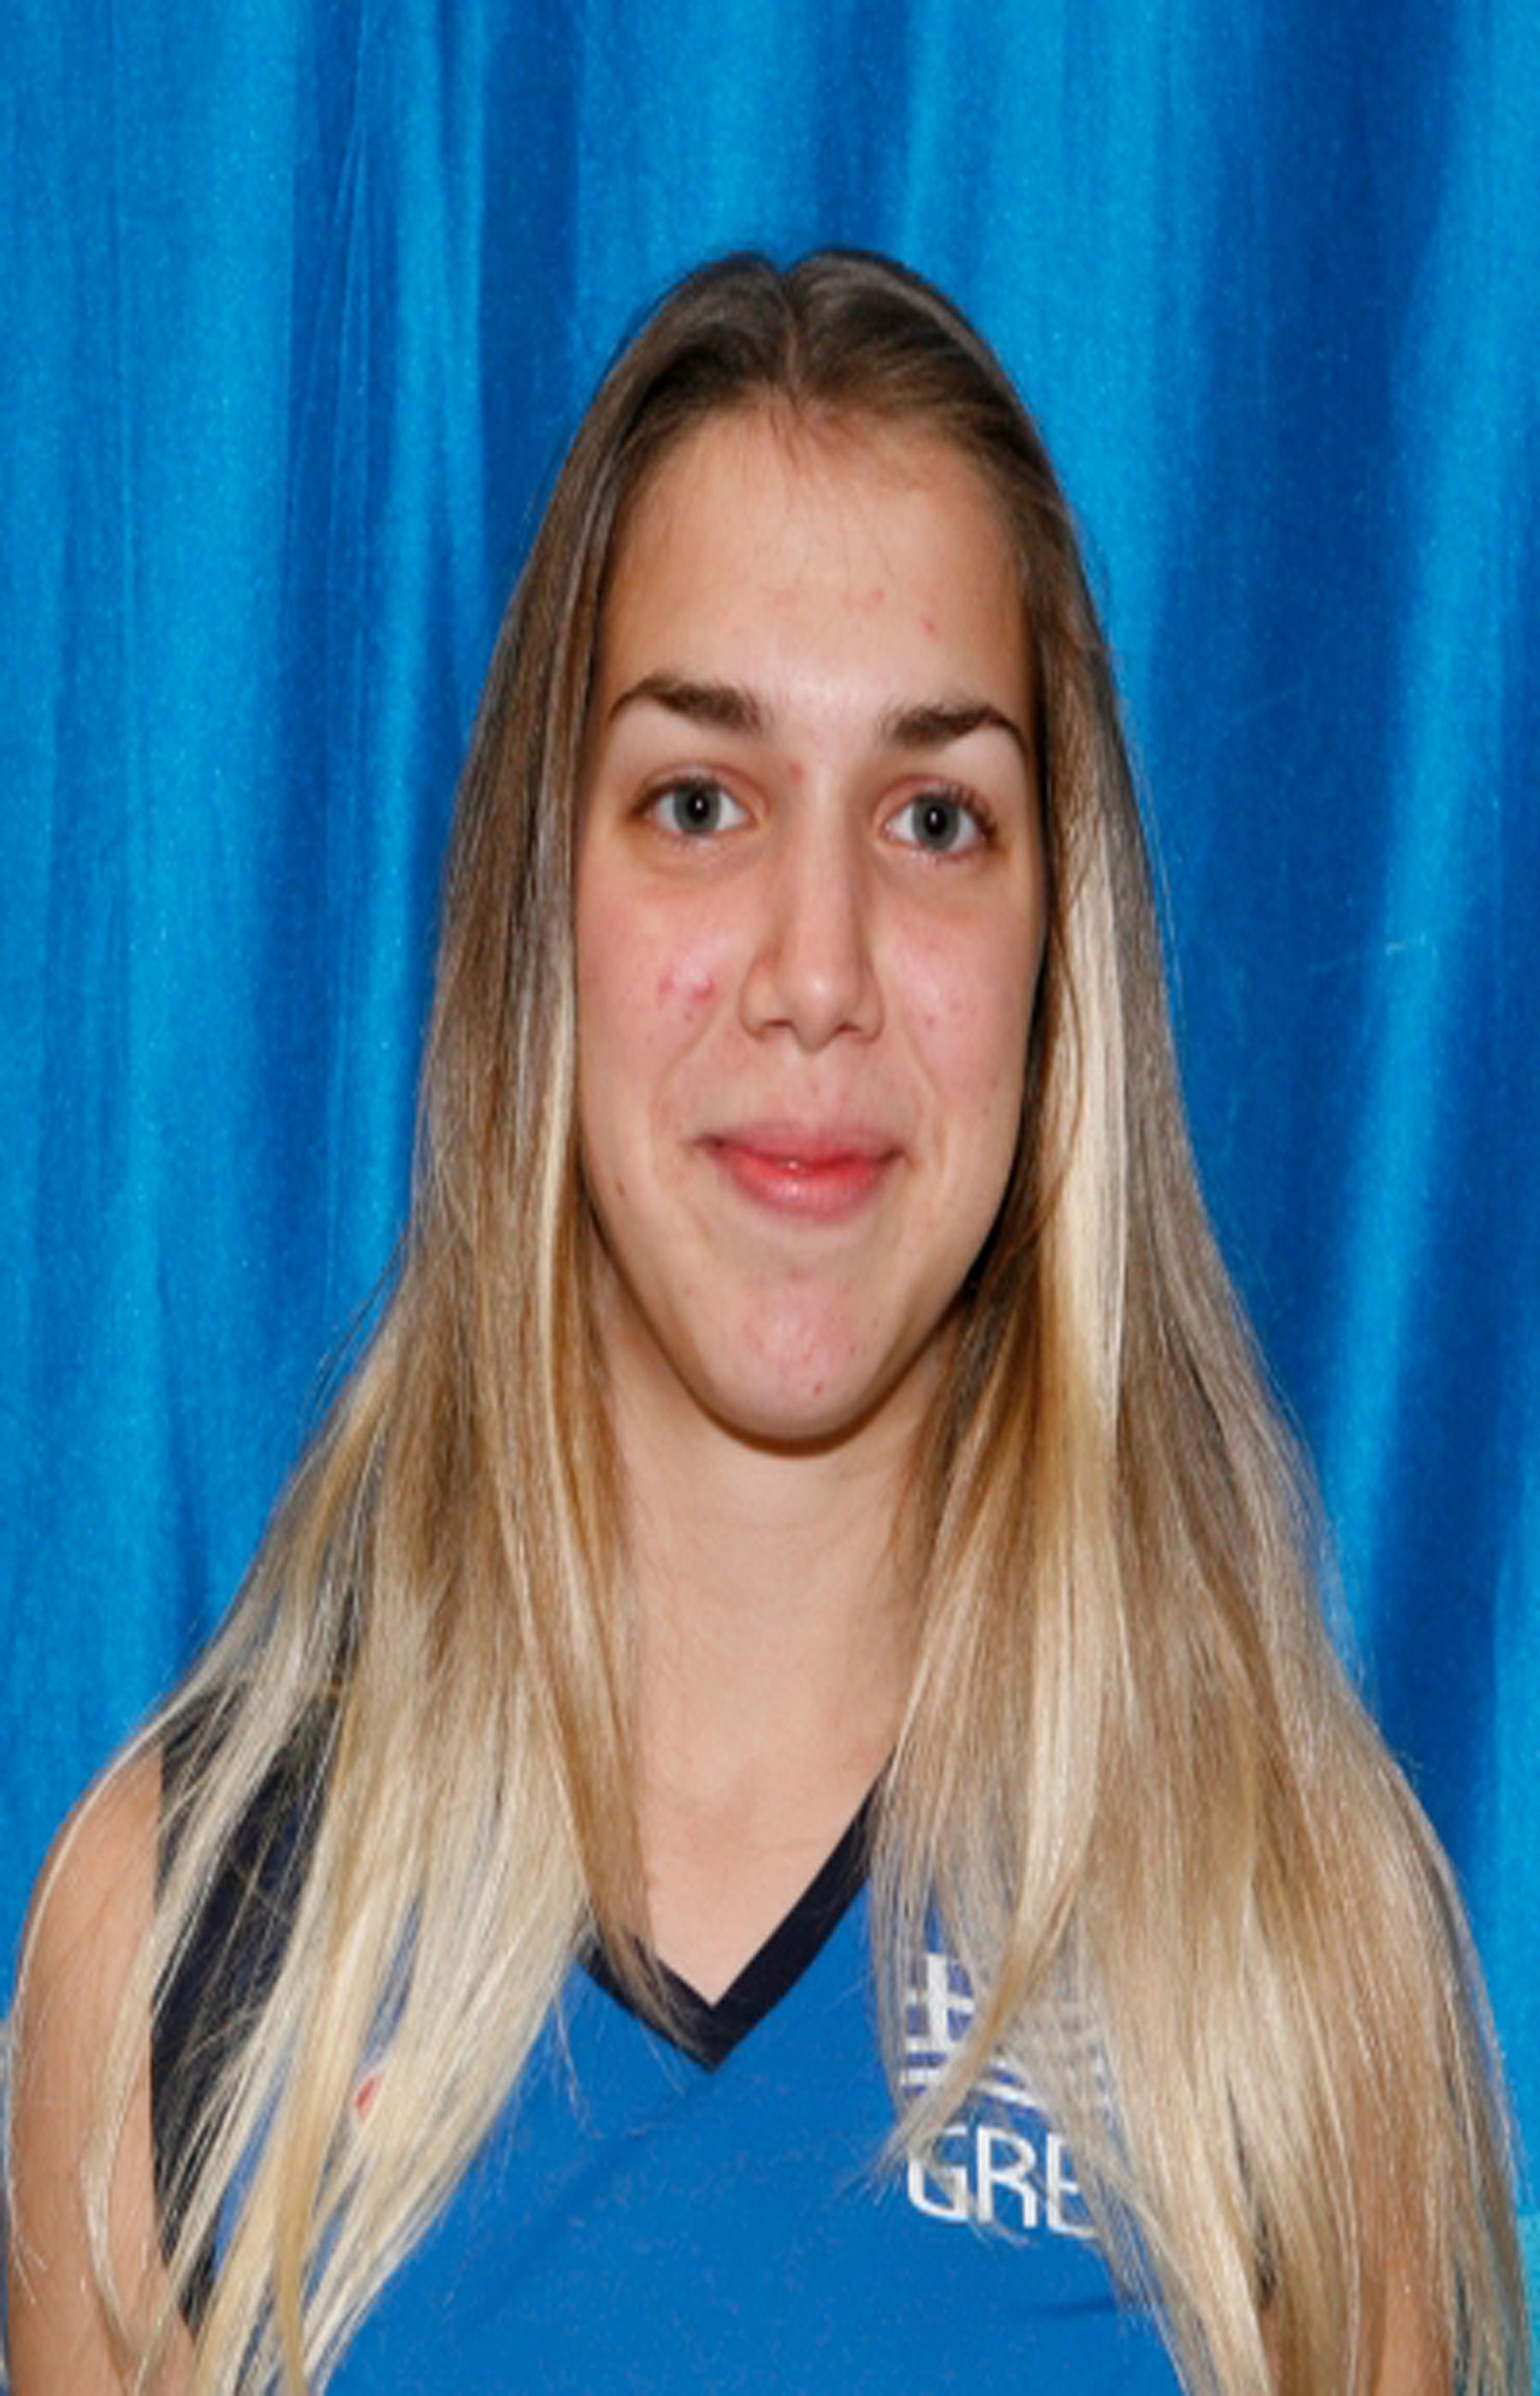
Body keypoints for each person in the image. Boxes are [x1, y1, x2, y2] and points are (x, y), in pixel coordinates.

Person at [4, 250, 1528, 2395]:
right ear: (540, 913)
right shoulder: (186, 1923)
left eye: (935, 817)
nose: (817, 968)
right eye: (700, 800)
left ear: (1056, 958)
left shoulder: (1288, 1943)